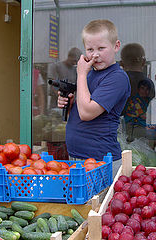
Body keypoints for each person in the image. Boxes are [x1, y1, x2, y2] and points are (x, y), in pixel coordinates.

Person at [57, 19, 131, 178]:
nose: (95, 55)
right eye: (90, 49)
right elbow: (80, 111)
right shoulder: (90, 74)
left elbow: (87, 113)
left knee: (99, 203)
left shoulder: (117, 77)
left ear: (116, 46)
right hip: (77, 158)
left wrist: (81, 74)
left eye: (101, 48)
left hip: (100, 162)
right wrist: (69, 105)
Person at [120, 43, 155, 144]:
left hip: (123, 126)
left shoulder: (120, 80)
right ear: (143, 62)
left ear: (121, 63)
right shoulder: (149, 83)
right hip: (143, 127)